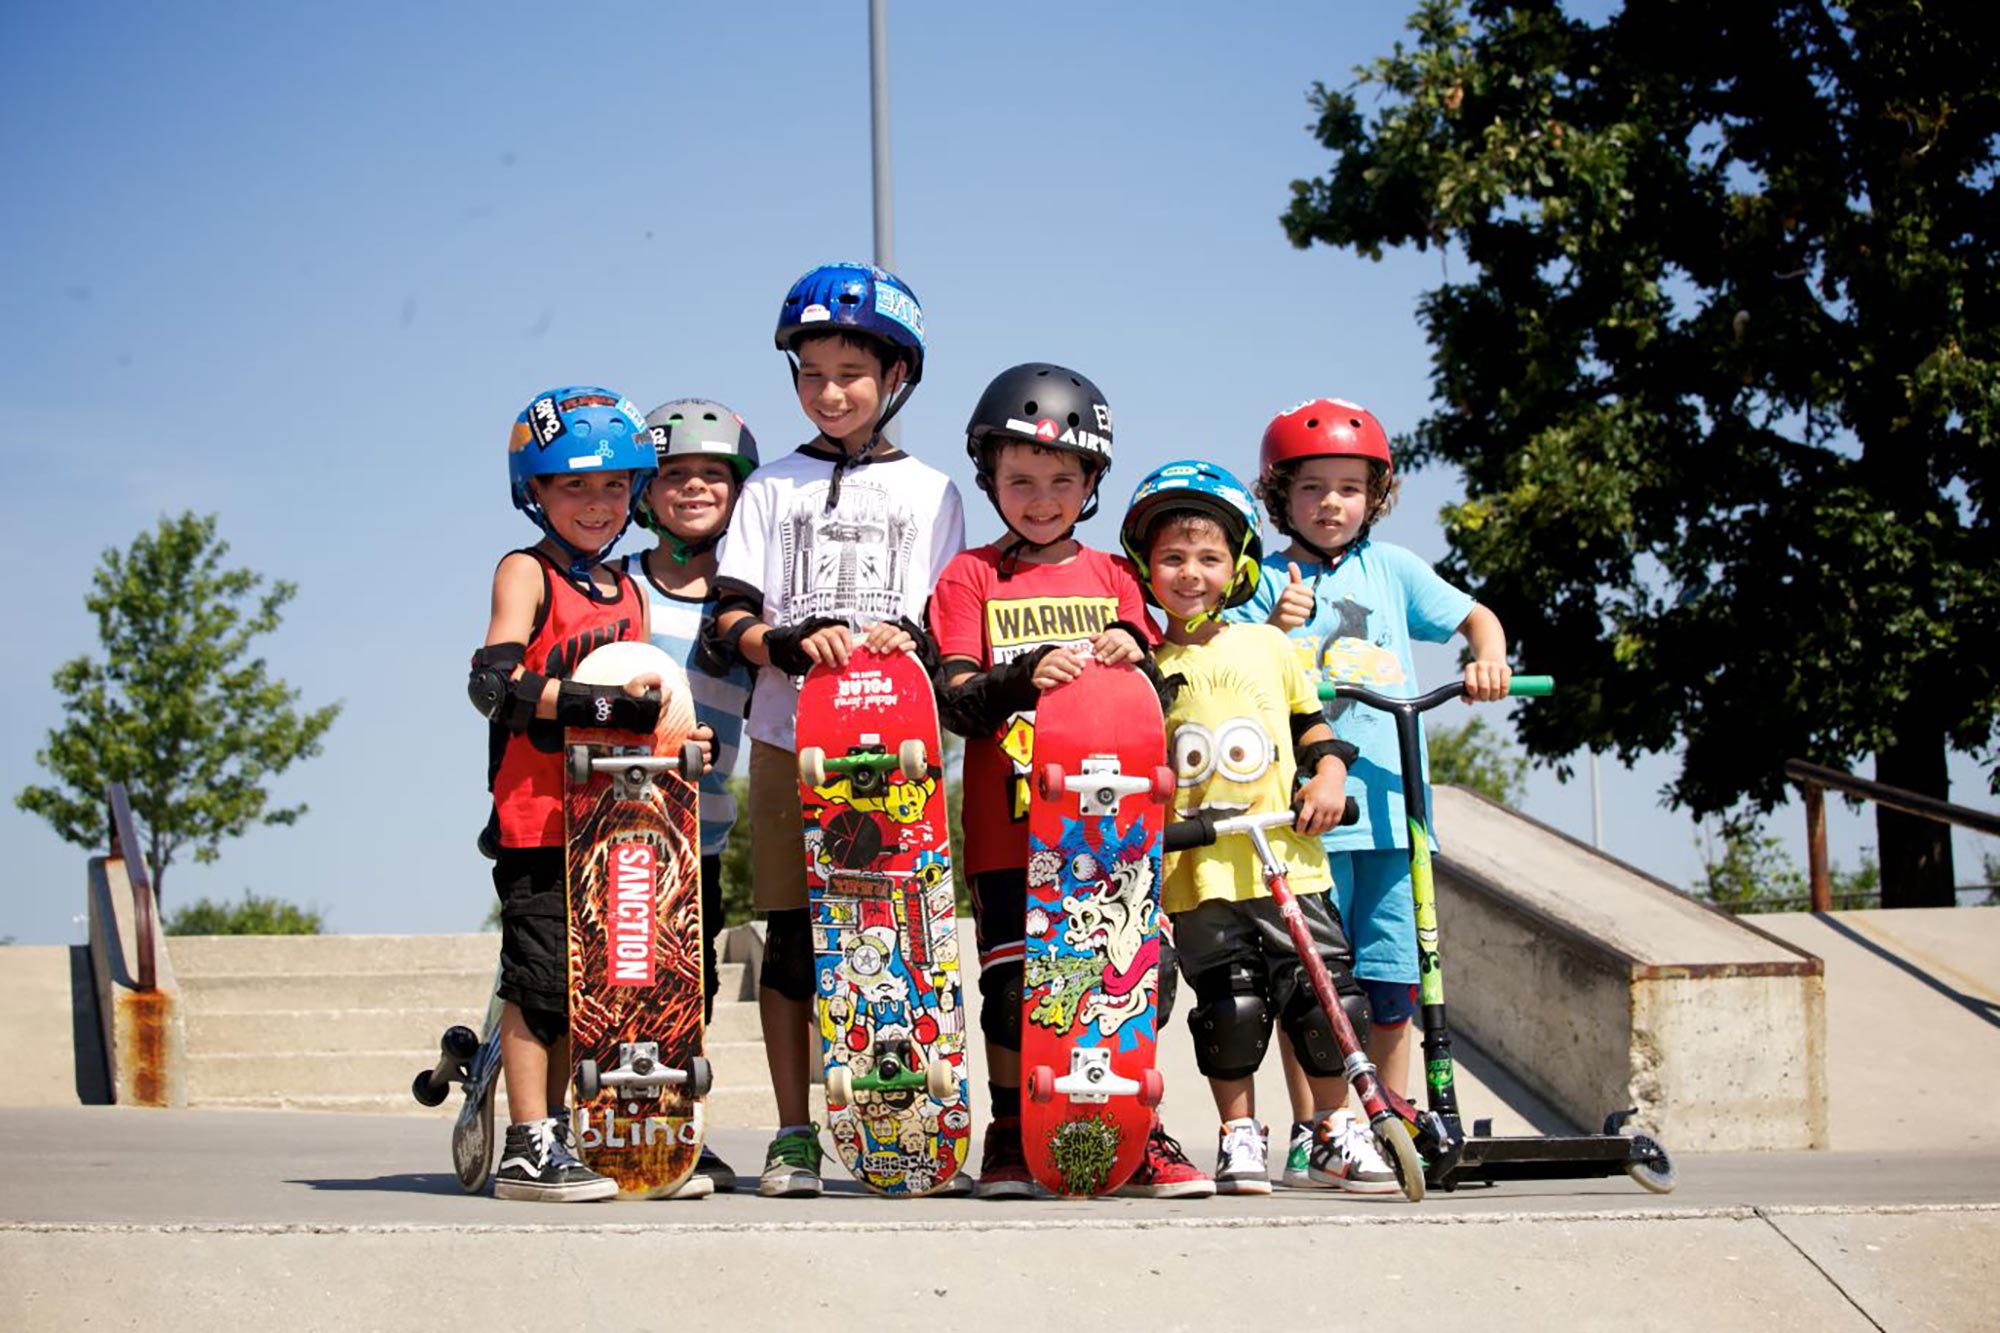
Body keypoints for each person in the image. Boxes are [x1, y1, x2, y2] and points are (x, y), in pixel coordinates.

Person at [703, 262, 966, 1198]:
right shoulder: (768, 488)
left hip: (897, 750)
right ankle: (792, 1131)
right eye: (811, 374)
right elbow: (724, 621)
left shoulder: (934, 495)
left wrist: (919, 642)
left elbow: (951, 625)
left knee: (903, 933)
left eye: (850, 373)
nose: (829, 392)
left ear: (896, 376)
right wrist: (782, 640)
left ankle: (909, 1118)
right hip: (790, 743)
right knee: (791, 936)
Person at [928, 364, 1213, 1199]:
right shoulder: (970, 578)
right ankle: (1013, 1138)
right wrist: (1023, 676)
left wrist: (1141, 663)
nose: (1041, 497)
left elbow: (1162, 703)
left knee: (1130, 981)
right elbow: (958, 701)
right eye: (1020, 479)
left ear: (1091, 482)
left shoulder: (1116, 580)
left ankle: (1135, 1133)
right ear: (990, 479)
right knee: (1017, 988)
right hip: (1009, 824)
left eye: (1061, 479)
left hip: (1113, 829)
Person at [1238, 397, 1510, 1186]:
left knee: (1393, 980)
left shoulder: (1391, 569)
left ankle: (1388, 1121)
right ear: (1281, 494)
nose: (1331, 503)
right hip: (1305, 818)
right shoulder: (1267, 578)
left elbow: (1475, 618)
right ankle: (1317, 1127)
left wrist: (1486, 656)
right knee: (1311, 983)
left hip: (1392, 813)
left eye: (1350, 488)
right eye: (1313, 487)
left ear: (1376, 496)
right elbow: (1235, 663)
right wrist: (1274, 623)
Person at [1119, 459, 1395, 1195]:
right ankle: (1239, 1133)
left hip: (1290, 858)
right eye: (1172, 558)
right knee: (1231, 1007)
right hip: (1200, 871)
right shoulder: (1145, 663)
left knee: (1323, 994)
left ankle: (1334, 1129)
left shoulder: (1267, 645)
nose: (1190, 573)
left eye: (1208, 558)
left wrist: (1329, 779)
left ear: (1237, 566)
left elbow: (1314, 729)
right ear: (1145, 569)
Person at [467, 386, 665, 1202]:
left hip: (614, 820)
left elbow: (647, 704)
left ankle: (563, 1132)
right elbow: (492, 681)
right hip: (538, 817)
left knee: (597, 986)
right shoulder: (528, 570)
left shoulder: (630, 593)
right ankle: (526, 1140)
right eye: (574, 486)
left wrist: (683, 739)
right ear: (536, 492)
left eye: (614, 485)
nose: (597, 502)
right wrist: (590, 705)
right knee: (541, 980)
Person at [622, 397, 761, 1193]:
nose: (696, 487)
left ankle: (674, 1121)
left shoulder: (745, 600)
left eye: (715, 473)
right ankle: (604, 1115)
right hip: (616, 822)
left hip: (698, 827)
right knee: (613, 975)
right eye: (675, 474)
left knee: (687, 982)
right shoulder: (621, 589)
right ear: (647, 493)